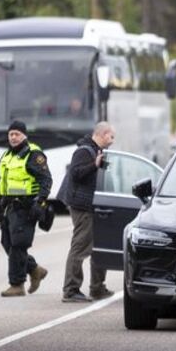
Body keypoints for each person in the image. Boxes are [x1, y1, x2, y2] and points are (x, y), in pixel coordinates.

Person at [0, 120, 52, 297]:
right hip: (8, 207)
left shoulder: (33, 154)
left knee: (18, 245)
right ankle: (35, 270)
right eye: (11, 134)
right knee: (7, 243)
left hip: (26, 207)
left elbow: (46, 180)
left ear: (24, 135)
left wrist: (40, 202)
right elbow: (1, 180)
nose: (14, 137)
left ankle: (17, 284)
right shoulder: (7, 156)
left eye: (17, 134)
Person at [59, 121, 116, 302]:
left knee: (99, 246)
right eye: (111, 136)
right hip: (82, 206)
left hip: (95, 205)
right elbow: (76, 173)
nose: (112, 141)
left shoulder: (97, 152)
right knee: (81, 246)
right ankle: (71, 290)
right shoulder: (84, 151)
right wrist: (94, 165)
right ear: (102, 134)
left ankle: (97, 287)